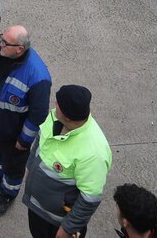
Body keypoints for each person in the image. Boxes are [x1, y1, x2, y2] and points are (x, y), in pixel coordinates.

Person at [0, 25, 51, 218]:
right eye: (2, 38)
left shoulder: (37, 77)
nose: (0, 44)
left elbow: (38, 115)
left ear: (20, 49)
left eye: (6, 43)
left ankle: (8, 194)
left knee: (13, 167)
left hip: (13, 134)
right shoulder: (3, 49)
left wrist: (24, 140)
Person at [23, 85, 112, 238]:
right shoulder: (55, 116)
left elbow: (89, 199)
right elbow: (40, 140)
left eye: (58, 104)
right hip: (38, 209)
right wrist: (30, 168)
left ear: (68, 117)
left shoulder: (94, 153)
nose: (54, 105)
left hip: (58, 222)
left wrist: (68, 229)